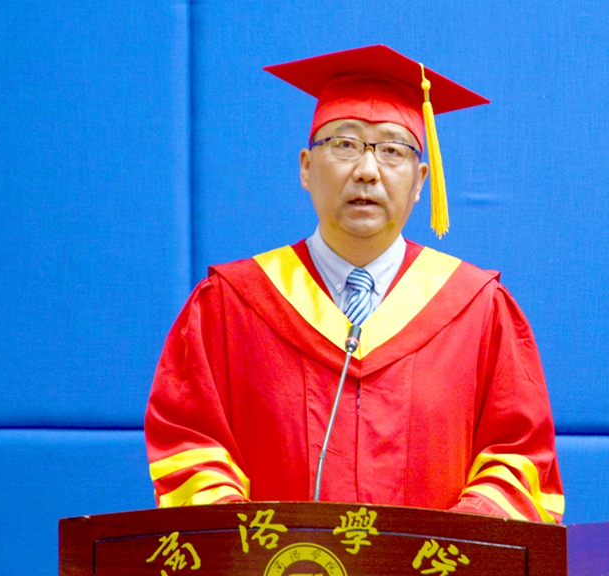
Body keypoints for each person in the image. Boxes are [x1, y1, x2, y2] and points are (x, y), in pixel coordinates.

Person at [144, 45, 564, 523]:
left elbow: (518, 456)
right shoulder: (230, 305)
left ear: (420, 180)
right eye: (344, 144)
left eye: (392, 150)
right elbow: (191, 447)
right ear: (306, 167)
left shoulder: (478, 310)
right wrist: (251, 547)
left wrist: (453, 542)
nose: (367, 171)